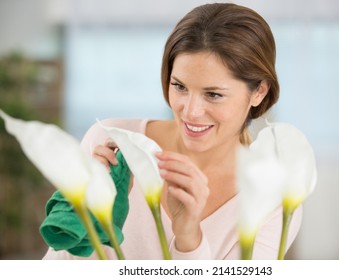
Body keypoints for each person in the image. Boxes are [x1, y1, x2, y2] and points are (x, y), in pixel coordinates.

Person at [42, 2, 302, 260]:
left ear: (259, 91)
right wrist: (85, 211)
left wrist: (189, 238)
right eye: (180, 87)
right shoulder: (109, 140)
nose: (190, 111)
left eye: (213, 94)